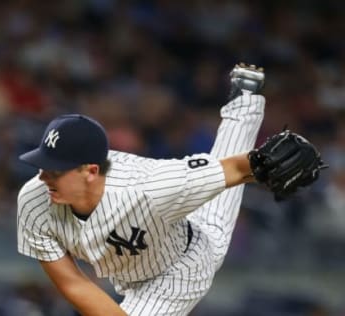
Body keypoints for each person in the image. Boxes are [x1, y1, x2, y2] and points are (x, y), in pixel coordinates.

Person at [16, 64, 268, 315]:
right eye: (43, 164)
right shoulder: (34, 199)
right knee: (214, 207)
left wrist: (271, 160)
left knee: (218, 187)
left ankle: (245, 99)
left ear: (90, 171)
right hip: (148, 254)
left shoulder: (149, 186)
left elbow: (233, 169)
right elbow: (74, 284)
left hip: (181, 266)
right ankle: (246, 98)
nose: (43, 176)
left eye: (56, 170)